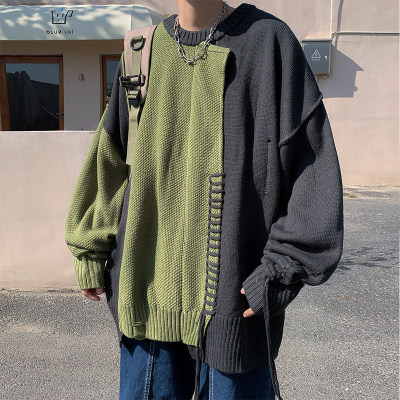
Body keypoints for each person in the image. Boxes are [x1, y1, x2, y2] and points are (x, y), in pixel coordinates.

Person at [65, 1, 344, 399]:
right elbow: (110, 157)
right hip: (146, 308)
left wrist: (281, 269)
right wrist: (90, 247)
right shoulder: (140, 52)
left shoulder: (270, 44)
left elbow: (312, 170)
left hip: (235, 312)